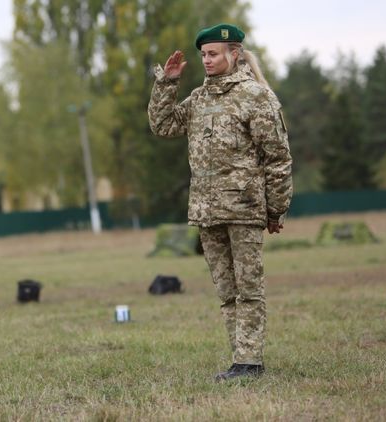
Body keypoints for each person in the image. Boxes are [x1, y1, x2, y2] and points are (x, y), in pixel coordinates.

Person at [147, 23, 293, 381]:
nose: (207, 60)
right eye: (204, 55)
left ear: (235, 54)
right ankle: (240, 360)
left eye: (213, 54)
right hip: (207, 212)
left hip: (244, 209)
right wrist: (167, 83)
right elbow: (163, 125)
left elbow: (277, 158)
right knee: (227, 292)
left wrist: (276, 209)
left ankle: (250, 362)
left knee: (249, 288)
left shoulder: (255, 97)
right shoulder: (199, 99)